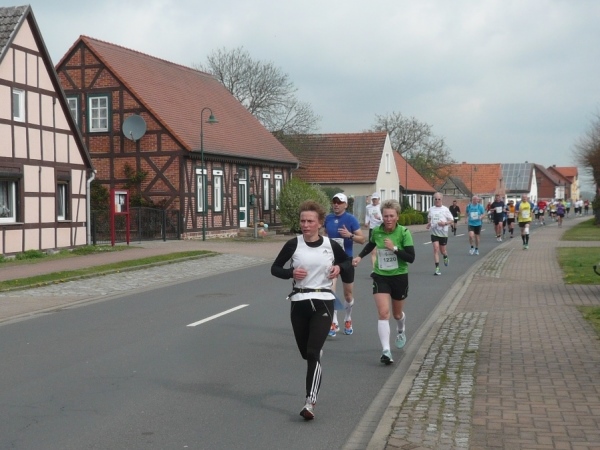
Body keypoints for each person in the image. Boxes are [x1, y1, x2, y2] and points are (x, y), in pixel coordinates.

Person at [271, 200, 352, 421]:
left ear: (319, 223)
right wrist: (290, 273)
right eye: (303, 221)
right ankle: (315, 355)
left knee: (313, 352)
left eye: (310, 221)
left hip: (323, 300)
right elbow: (275, 268)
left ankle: (310, 402)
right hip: (299, 301)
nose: (306, 225)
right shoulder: (293, 244)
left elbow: (347, 263)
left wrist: (339, 267)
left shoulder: (330, 245)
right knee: (306, 353)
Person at [352, 199, 415, 365]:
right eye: (385, 216)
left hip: (399, 276)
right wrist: (359, 257)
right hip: (381, 276)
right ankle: (386, 351)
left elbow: (411, 258)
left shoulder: (404, 232)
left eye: (391, 216)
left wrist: (394, 248)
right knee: (383, 313)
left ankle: (400, 328)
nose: (388, 219)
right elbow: (370, 244)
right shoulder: (377, 231)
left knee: (397, 314)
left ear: (397, 216)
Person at [323, 193, 365, 337]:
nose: (336, 204)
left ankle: (348, 318)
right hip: (331, 260)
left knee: (348, 295)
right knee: (330, 292)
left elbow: (362, 239)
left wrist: (350, 235)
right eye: (334, 202)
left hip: (347, 260)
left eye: (339, 202)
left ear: (345, 205)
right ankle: (333, 322)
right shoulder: (328, 218)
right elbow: (325, 235)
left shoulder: (351, 219)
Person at [426, 192, 454, 275]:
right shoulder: (431, 209)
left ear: (441, 199)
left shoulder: (445, 209)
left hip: (443, 232)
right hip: (434, 232)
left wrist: (444, 223)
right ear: (434, 200)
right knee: (436, 249)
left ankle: (445, 256)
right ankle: (437, 268)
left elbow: (451, 220)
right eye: (436, 199)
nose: (437, 200)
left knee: (443, 251)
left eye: (439, 199)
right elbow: (429, 218)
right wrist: (429, 224)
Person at [365, 193, 383, 266]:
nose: (374, 201)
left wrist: (379, 218)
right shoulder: (368, 207)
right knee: (373, 250)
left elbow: (385, 219)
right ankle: (374, 268)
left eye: (375, 199)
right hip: (372, 229)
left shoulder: (382, 207)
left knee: (381, 249)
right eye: (373, 199)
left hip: (380, 229)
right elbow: (367, 215)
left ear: (379, 199)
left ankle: (382, 265)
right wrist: (366, 222)